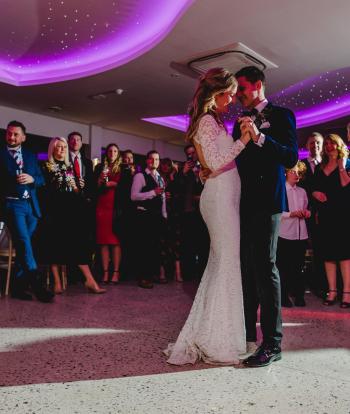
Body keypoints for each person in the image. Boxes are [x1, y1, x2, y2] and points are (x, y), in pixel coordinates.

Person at [165, 68, 250, 365]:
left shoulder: (213, 120)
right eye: (231, 94)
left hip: (225, 196)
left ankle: (220, 334)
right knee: (227, 262)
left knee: (224, 263)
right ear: (218, 95)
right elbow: (214, 162)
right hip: (220, 200)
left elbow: (207, 166)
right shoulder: (205, 120)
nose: (234, 99)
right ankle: (217, 339)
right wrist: (244, 141)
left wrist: (208, 169)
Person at [233, 66, 298, 367]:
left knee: (265, 267)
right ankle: (247, 334)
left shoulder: (283, 115)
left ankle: (272, 343)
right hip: (244, 202)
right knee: (246, 269)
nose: (238, 95)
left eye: (242, 88)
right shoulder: (238, 123)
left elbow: (290, 157)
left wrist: (259, 137)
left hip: (269, 203)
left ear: (257, 85)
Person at [40, 137, 105, 294]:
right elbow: (44, 190)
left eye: (64, 147)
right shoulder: (46, 166)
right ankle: (57, 283)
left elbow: (76, 191)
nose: (62, 150)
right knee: (54, 246)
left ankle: (89, 280)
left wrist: (78, 187)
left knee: (79, 245)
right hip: (54, 211)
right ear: (53, 149)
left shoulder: (70, 167)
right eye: (59, 147)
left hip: (72, 211)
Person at [0, 120, 54, 302]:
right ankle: (38, 286)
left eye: (16, 134)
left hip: (31, 206)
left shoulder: (31, 156)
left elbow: (41, 180)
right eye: (9, 133)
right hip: (12, 204)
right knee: (23, 242)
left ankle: (18, 287)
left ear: (23, 137)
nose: (12, 137)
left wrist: (32, 179)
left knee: (25, 246)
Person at [312, 134, 350, 308]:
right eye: (326, 144)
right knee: (328, 255)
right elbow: (314, 188)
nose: (328, 146)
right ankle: (332, 290)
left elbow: (346, 185)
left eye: (332, 143)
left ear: (338, 144)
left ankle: (347, 293)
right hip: (326, 214)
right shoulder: (320, 167)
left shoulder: (347, 163)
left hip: (343, 214)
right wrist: (315, 194)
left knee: (344, 255)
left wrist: (341, 166)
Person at [131, 150, 167, 289]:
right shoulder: (140, 176)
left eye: (157, 159)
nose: (154, 162)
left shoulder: (160, 177)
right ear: (147, 161)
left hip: (157, 217)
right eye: (152, 159)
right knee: (144, 247)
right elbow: (134, 196)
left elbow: (162, 198)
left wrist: (164, 215)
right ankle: (143, 277)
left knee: (154, 247)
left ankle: (151, 275)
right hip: (144, 216)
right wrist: (153, 192)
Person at [277, 161, 310, 307]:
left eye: (298, 172)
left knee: (299, 267)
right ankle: (283, 296)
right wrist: (292, 214)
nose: (296, 174)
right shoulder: (281, 190)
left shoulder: (302, 192)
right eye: (293, 171)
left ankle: (299, 295)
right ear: (285, 173)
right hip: (285, 233)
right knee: (284, 266)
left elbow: (306, 208)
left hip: (300, 234)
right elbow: (277, 213)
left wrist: (306, 213)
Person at [177, 144, 209, 281]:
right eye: (188, 154)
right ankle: (188, 274)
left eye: (192, 153)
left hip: (203, 212)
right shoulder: (182, 169)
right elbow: (177, 189)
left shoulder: (205, 166)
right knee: (187, 245)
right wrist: (183, 173)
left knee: (203, 244)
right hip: (187, 212)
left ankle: (202, 274)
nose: (190, 156)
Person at [300, 132, 326, 296]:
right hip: (305, 212)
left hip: (324, 213)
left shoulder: (326, 164)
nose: (314, 146)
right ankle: (303, 283)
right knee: (303, 248)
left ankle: (321, 284)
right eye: (311, 143)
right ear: (307, 145)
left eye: (317, 143)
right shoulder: (301, 164)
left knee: (322, 248)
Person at [95, 143, 122, 284]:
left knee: (115, 242)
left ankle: (116, 273)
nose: (112, 153)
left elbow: (125, 188)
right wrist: (100, 180)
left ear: (118, 153)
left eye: (115, 151)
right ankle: (105, 273)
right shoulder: (100, 167)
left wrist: (113, 184)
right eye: (110, 151)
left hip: (115, 208)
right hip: (102, 207)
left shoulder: (122, 169)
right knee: (103, 242)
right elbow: (96, 187)